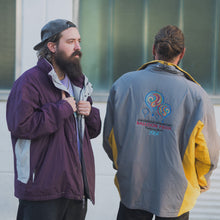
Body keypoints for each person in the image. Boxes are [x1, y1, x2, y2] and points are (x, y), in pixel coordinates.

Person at [103, 25, 220, 220]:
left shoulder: (123, 84)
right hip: (176, 194)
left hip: (133, 187)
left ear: (153, 49)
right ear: (182, 53)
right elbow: (208, 154)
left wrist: (123, 167)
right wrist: (199, 181)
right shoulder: (197, 95)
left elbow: (110, 138)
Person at [6, 19, 101, 220]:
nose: (78, 47)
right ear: (52, 46)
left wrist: (90, 112)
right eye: (71, 41)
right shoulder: (29, 82)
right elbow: (20, 126)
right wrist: (60, 110)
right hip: (42, 191)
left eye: (79, 41)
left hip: (75, 189)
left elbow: (92, 131)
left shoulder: (79, 81)